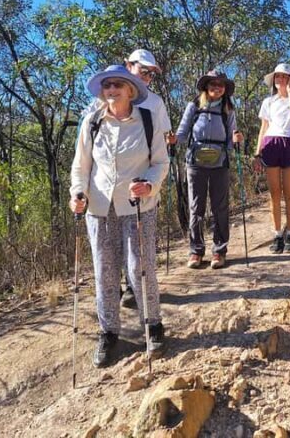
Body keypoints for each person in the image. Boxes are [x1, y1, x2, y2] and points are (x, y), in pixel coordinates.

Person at [70, 64, 168, 367]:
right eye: (107, 86)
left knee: (141, 267)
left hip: (138, 206)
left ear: (130, 90)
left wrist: (149, 184)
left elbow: (161, 162)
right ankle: (108, 332)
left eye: (117, 85)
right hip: (99, 207)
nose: (111, 91)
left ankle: (152, 325)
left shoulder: (148, 121)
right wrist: (77, 193)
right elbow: (81, 166)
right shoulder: (92, 123)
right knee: (104, 270)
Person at [83, 48, 171, 310]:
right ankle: (114, 306)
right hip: (103, 197)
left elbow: (162, 147)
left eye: (151, 74)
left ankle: (142, 300)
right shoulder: (96, 110)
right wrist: (79, 191)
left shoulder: (154, 104)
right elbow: (84, 156)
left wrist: (153, 181)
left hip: (137, 195)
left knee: (138, 260)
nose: (147, 77)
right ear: (128, 66)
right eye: (143, 70)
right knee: (106, 263)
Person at [169, 70, 242, 270]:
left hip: (220, 163)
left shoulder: (228, 109)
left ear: (225, 89)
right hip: (195, 162)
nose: (217, 87)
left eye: (221, 84)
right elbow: (183, 133)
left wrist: (236, 142)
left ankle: (219, 250)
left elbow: (231, 138)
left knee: (220, 207)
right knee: (196, 206)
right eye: (213, 83)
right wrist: (174, 140)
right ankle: (196, 250)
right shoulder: (194, 106)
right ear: (206, 86)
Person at [254, 63, 290, 254]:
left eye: (285, 77)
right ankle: (277, 234)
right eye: (278, 77)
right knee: (274, 193)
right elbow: (263, 128)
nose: (280, 80)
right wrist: (257, 153)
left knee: (289, 192)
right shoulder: (268, 102)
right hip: (270, 144)